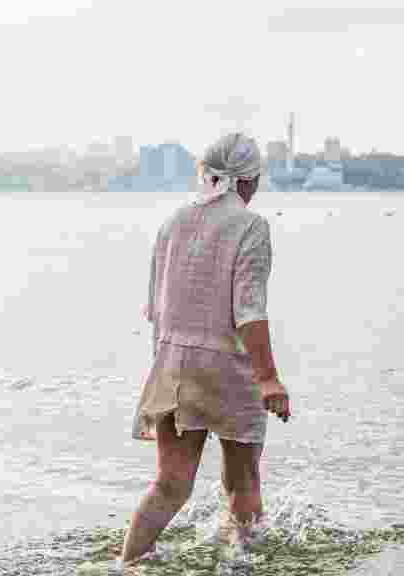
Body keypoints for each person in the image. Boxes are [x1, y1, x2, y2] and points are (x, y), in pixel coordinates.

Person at [121, 133, 290, 566]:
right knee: (242, 485)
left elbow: (157, 309)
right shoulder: (251, 226)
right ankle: (241, 565)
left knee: (169, 486)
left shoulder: (172, 223)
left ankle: (128, 564)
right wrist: (268, 379)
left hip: (173, 366)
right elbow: (249, 310)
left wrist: (165, 367)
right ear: (248, 180)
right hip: (228, 370)